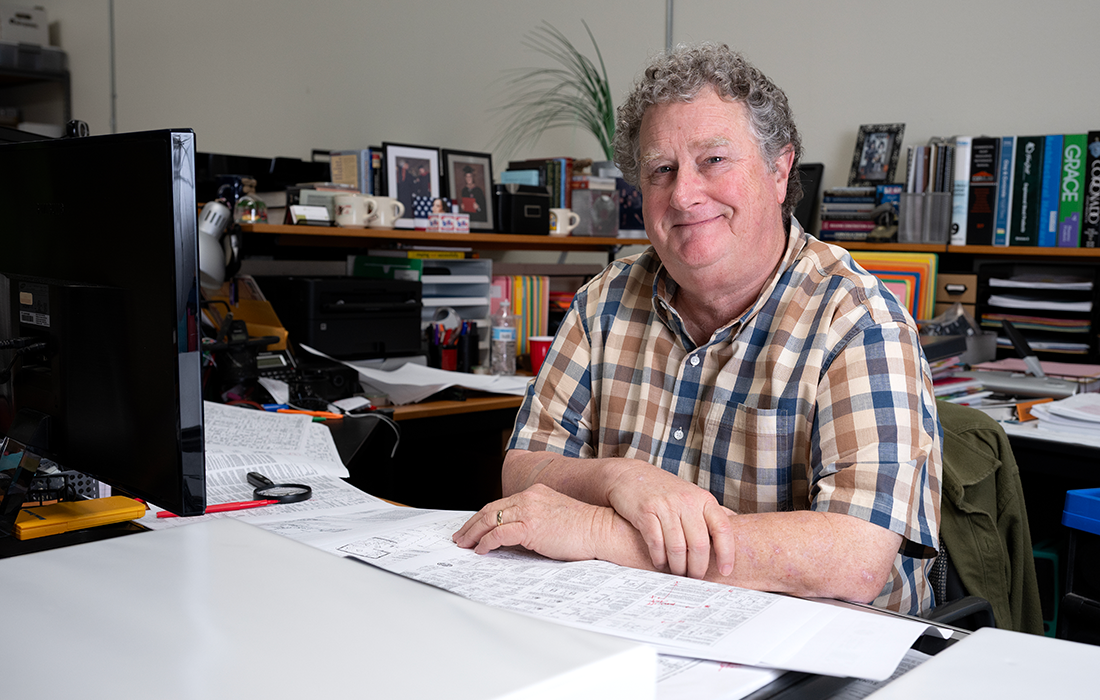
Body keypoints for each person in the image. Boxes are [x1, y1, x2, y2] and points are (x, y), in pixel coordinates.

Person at [453, 43, 942, 616]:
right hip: (637, 621)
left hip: (822, 646)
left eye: (713, 160)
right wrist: (620, 479)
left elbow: (854, 558)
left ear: (779, 171)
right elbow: (523, 469)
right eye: (662, 170)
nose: (683, 195)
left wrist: (598, 531)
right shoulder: (602, 303)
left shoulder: (858, 322)